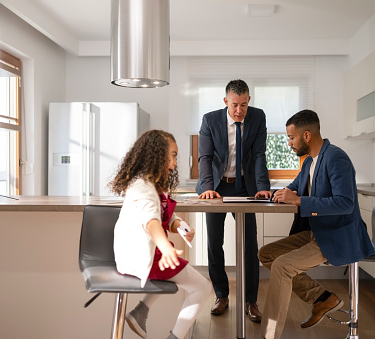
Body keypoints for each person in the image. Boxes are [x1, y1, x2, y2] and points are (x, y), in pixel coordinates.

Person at [259, 110, 375, 339]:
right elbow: (292, 188)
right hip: (317, 233)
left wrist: (299, 200)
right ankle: (322, 298)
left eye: (292, 138)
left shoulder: (335, 158)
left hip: (336, 236)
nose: (289, 143)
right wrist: (271, 193)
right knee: (267, 254)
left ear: (307, 136)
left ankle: (269, 335)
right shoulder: (310, 162)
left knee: (282, 266)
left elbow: (345, 203)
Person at [109, 130, 212, 339]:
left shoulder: (152, 184)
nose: (175, 163)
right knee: (203, 287)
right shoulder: (142, 187)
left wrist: (180, 226)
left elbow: (163, 215)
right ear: (157, 155)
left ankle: (140, 311)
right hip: (141, 257)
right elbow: (151, 220)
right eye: (172, 155)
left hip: (143, 253)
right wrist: (166, 248)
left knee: (180, 272)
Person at [195, 79, 271, 321]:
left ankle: (251, 301)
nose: (239, 111)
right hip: (216, 188)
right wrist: (207, 187)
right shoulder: (210, 120)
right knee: (214, 245)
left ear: (249, 102)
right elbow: (205, 157)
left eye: (244, 105)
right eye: (235, 105)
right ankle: (221, 295)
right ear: (225, 101)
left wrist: (262, 188)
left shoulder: (258, 118)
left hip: (244, 188)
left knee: (250, 245)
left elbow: (259, 154)